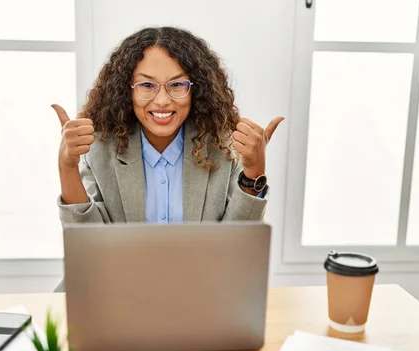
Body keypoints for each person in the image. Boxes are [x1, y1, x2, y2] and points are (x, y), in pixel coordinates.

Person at [53, 26, 284, 225]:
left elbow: (238, 246)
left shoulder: (223, 148)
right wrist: (67, 166)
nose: (162, 100)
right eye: (146, 84)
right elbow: (88, 246)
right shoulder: (100, 148)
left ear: (196, 89)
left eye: (177, 84)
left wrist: (254, 172)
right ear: (126, 90)